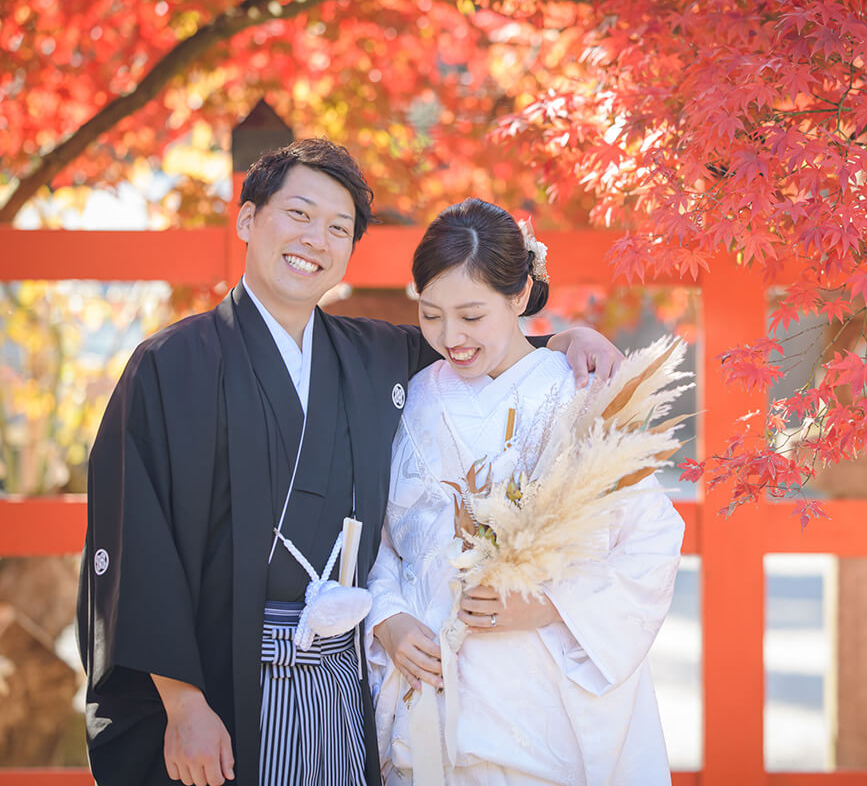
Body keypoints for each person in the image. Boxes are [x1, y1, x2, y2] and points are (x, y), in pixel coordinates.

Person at [76, 139, 620, 786]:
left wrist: (567, 338)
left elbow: (487, 348)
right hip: (221, 678)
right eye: (299, 214)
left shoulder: (372, 356)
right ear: (248, 220)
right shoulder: (171, 364)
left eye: (339, 228)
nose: (317, 239)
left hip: (340, 678)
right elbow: (136, 540)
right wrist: (183, 703)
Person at [366, 198, 684, 785]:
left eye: (471, 315)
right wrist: (389, 617)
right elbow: (387, 539)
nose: (450, 336)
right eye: (431, 315)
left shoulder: (578, 392)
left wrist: (546, 605)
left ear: (519, 297)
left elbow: (651, 539)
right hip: (433, 691)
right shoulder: (414, 399)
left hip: (545, 700)